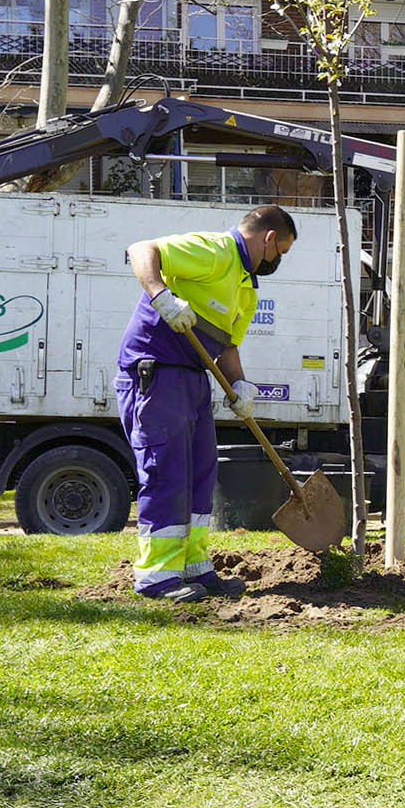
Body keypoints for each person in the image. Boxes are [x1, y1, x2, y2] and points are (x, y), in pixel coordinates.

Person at [118, 205, 297, 600]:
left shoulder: (246, 287)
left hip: (193, 377)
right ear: (268, 239)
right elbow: (141, 249)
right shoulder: (215, 252)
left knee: (201, 474)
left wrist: (241, 386)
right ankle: (157, 577)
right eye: (280, 251)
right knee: (166, 472)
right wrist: (161, 296)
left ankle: (195, 568)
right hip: (157, 371)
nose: (277, 260)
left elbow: (228, 345)